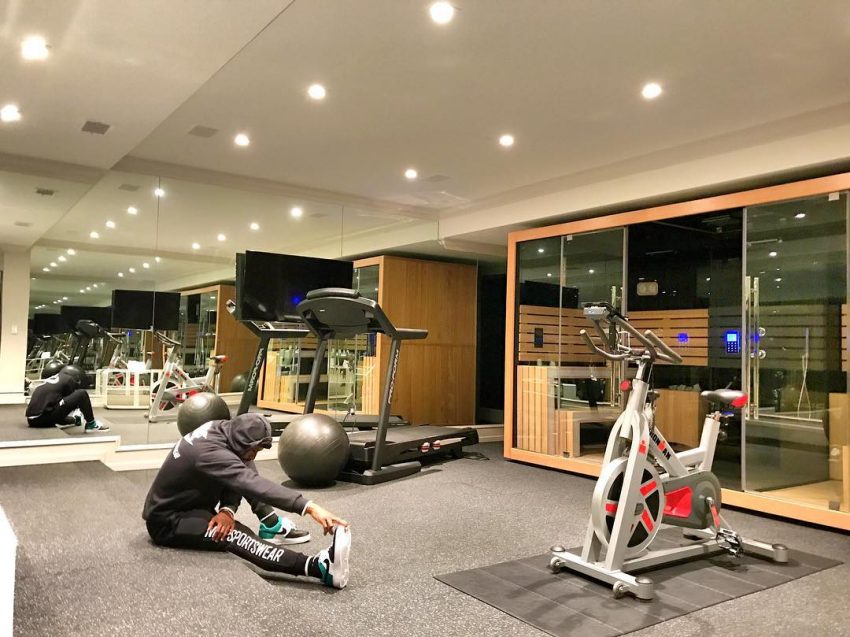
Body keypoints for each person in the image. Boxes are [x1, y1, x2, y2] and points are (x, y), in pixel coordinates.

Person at [142, 413, 351, 588]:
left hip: (194, 505)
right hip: (168, 521)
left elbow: (240, 469)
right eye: (254, 449)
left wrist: (227, 509)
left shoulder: (224, 430)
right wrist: (309, 507)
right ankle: (320, 568)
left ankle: (270, 523)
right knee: (238, 535)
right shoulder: (207, 451)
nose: (254, 455)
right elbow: (248, 482)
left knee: (244, 461)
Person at [25, 366, 110, 432]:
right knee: (82, 394)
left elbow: (60, 411)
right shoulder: (69, 380)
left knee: (60, 412)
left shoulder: (54, 380)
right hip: (44, 418)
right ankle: (91, 424)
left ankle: (76, 420)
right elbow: (74, 401)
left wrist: (74, 419)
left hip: (32, 421)